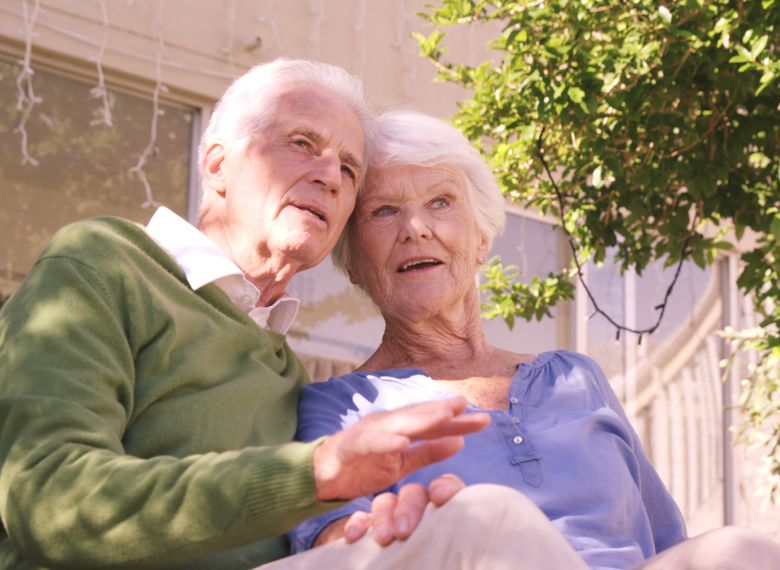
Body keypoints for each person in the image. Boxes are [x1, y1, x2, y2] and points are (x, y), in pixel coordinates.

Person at [0, 59, 584, 570]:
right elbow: (48, 499)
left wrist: (383, 525)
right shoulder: (104, 264)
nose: (330, 176)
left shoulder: (288, 374)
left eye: (350, 169)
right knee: (486, 521)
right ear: (217, 164)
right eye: (302, 143)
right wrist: (315, 474)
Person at [286, 110, 780, 570]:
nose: (416, 228)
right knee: (496, 518)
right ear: (352, 262)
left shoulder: (575, 378)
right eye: (383, 212)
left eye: (441, 202)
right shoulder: (339, 406)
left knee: (744, 551)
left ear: (482, 238)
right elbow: (336, 544)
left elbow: (667, 541)